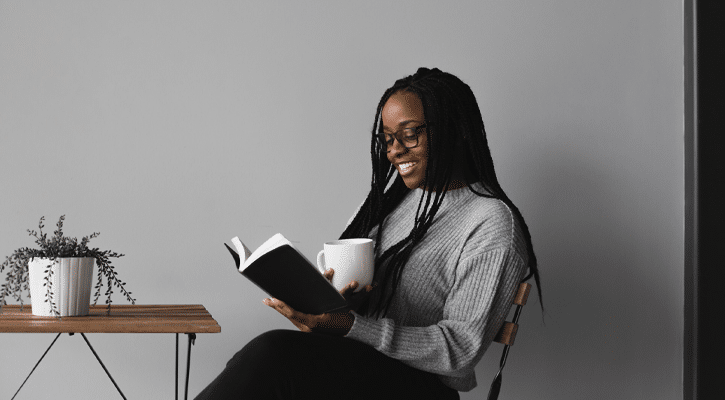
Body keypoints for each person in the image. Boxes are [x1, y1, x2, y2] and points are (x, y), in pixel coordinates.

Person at [194, 67, 543, 400]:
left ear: (458, 129)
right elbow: (367, 309)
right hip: (363, 368)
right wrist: (337, 307)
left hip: (420, 389)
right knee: (268, 363)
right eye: (388, 139)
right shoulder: (396, 203)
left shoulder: (491, 223)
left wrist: (351, 326)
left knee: (271, 355)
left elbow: (460, 351)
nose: (393, 151)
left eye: (410, 134)